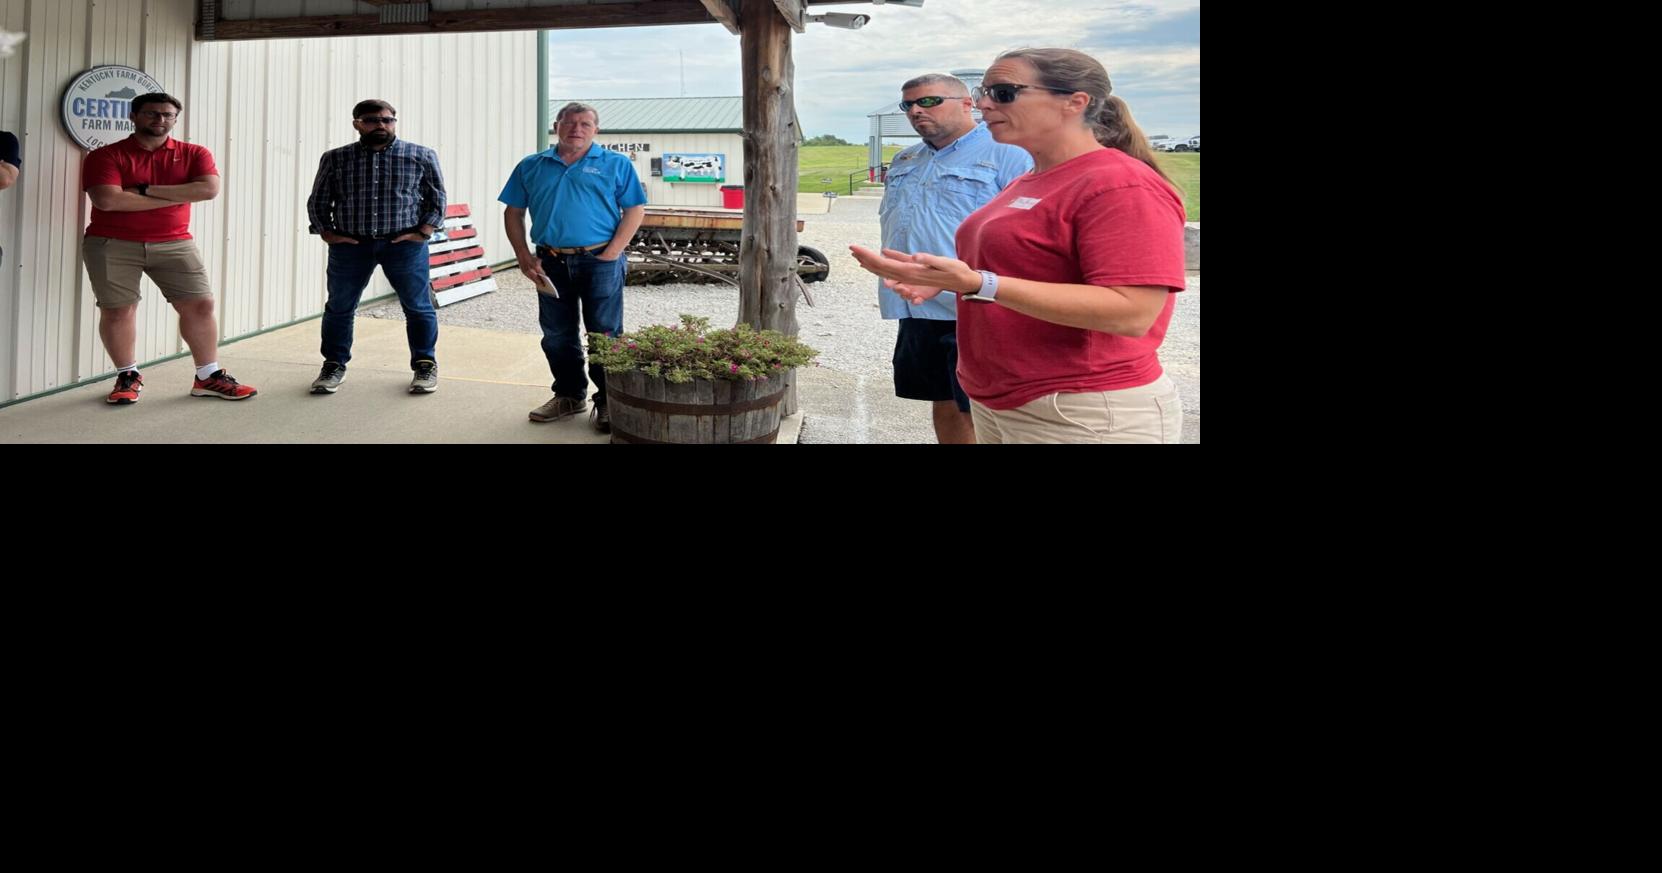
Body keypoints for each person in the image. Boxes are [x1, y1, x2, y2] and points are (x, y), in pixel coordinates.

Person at [853, 49, 1187, 443]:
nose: (984, 103)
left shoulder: (1120, 184)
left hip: (1080, 407)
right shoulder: (1031, 178)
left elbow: (1132, 313)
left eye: (1004, 92)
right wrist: (947, 280)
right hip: (1006, 400)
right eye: (983, 92)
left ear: (1074, 102)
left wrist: (979, 284)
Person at [878, 73, 1030, 443]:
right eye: (908, 105)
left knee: (982, 407)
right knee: (942, 397)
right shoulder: (906, 158)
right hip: (918, 305)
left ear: (968, 104)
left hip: (978, 304)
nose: (916, 110)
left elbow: (1026, 233)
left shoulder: (1008, 153)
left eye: (929, 101)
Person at [81, 93, 257, 405]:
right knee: (119, 310)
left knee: (200, 305)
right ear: (134, 116)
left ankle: (207, 377)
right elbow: (108, 200)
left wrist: (144, 190)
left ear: (175, 118)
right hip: (111, 243)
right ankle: (128, 376)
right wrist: (181, 194)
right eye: (151, 114)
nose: (160, 120)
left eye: (167, 115)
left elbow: (208, 189)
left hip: (175, 242)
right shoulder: (105, 156)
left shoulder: (194, 153)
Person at [499, 102, 646, 433]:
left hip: (599, 260)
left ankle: (609, 399)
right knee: (556, 334)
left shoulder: (615, 164)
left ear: (596, 129)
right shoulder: (532, 165)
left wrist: (612, 253)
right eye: (569, 122)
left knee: (605, 334)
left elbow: (635, 209)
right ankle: (568, 395)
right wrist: (523, 255)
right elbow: (513, 212)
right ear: (557, 126)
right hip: (549, 260)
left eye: (584, 124)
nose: (576, 128)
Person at [305, 99, 447, 395]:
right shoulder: (336, 158)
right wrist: (327, 233)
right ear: (357, 123)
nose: (381, 125)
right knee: (340, 307)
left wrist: (424, 231)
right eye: (372, 120)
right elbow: (319, 199)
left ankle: (424, 364)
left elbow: (436, 198)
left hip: (404, 245)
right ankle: (333, 364)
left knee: (418, 307)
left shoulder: (420, 155)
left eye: (388, 120)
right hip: (350, 246)